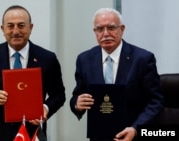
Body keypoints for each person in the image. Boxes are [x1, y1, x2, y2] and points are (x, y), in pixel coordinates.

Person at [0, 5, 66, 141]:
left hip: (32, 133)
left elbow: (59, 95)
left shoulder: (47, 58)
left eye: (21, 25)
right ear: (3, 29)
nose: (16, 31)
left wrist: (45, 109)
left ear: (31, 28)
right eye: (10, 26)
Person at [69, 8, 164, 141]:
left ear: (122, 29)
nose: (106, 34)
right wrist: (77, 104)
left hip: (132, 134)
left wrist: (136, 129)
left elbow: (155, 101)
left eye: (111, 28)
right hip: (99, 136)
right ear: (94, 32)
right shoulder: (84, 60)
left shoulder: (142, 59)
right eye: (100, 29)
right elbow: (77, 95)